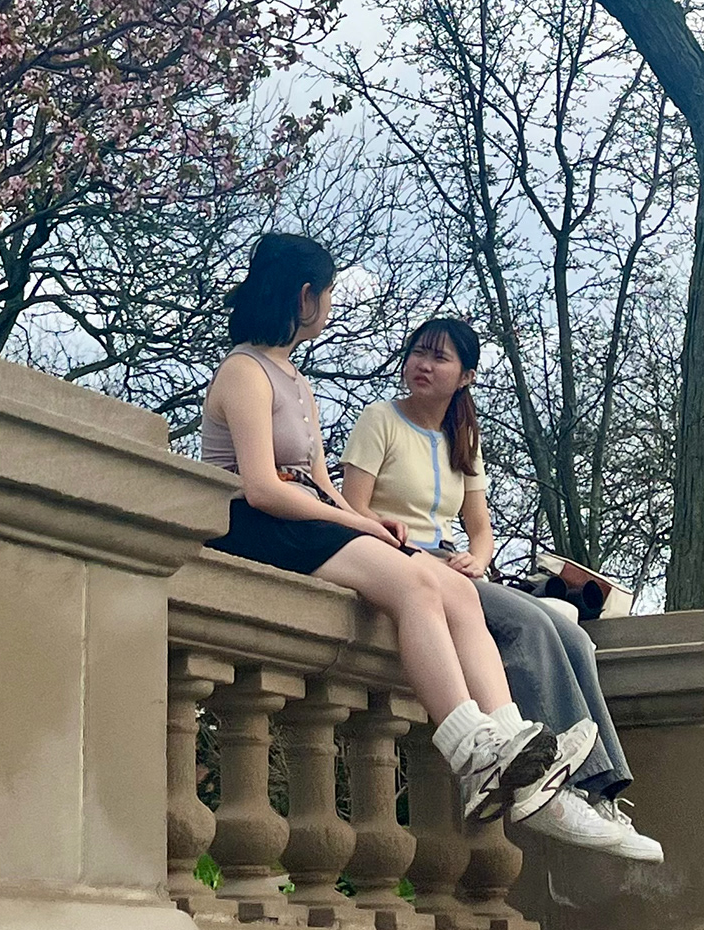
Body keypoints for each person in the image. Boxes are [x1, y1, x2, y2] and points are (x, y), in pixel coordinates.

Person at [199, 235, 593, 828]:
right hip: (258, 524)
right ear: (305, 297)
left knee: (457, 590)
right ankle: (470, 751)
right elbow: (261, 487)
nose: (331, 304)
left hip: (303, 517)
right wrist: (352, 521)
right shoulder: (243, 371)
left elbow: (319, 481)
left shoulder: (295, 380)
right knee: (416, 585)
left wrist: (366, 522)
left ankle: (509, 739)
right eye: (328, 292)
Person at [340, 316, 663, 865]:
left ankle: (601, 793)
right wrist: (406, 544)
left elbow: (481, 528)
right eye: (418, 353)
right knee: (528, 623)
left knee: (574, 637)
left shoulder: (463, 439)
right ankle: (558, 789)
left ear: (466, 376)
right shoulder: (381, 420)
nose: (422, 365)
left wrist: (479, 558)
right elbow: (353, 507)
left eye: (439, 357)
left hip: (456, 568)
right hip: (403, 561)